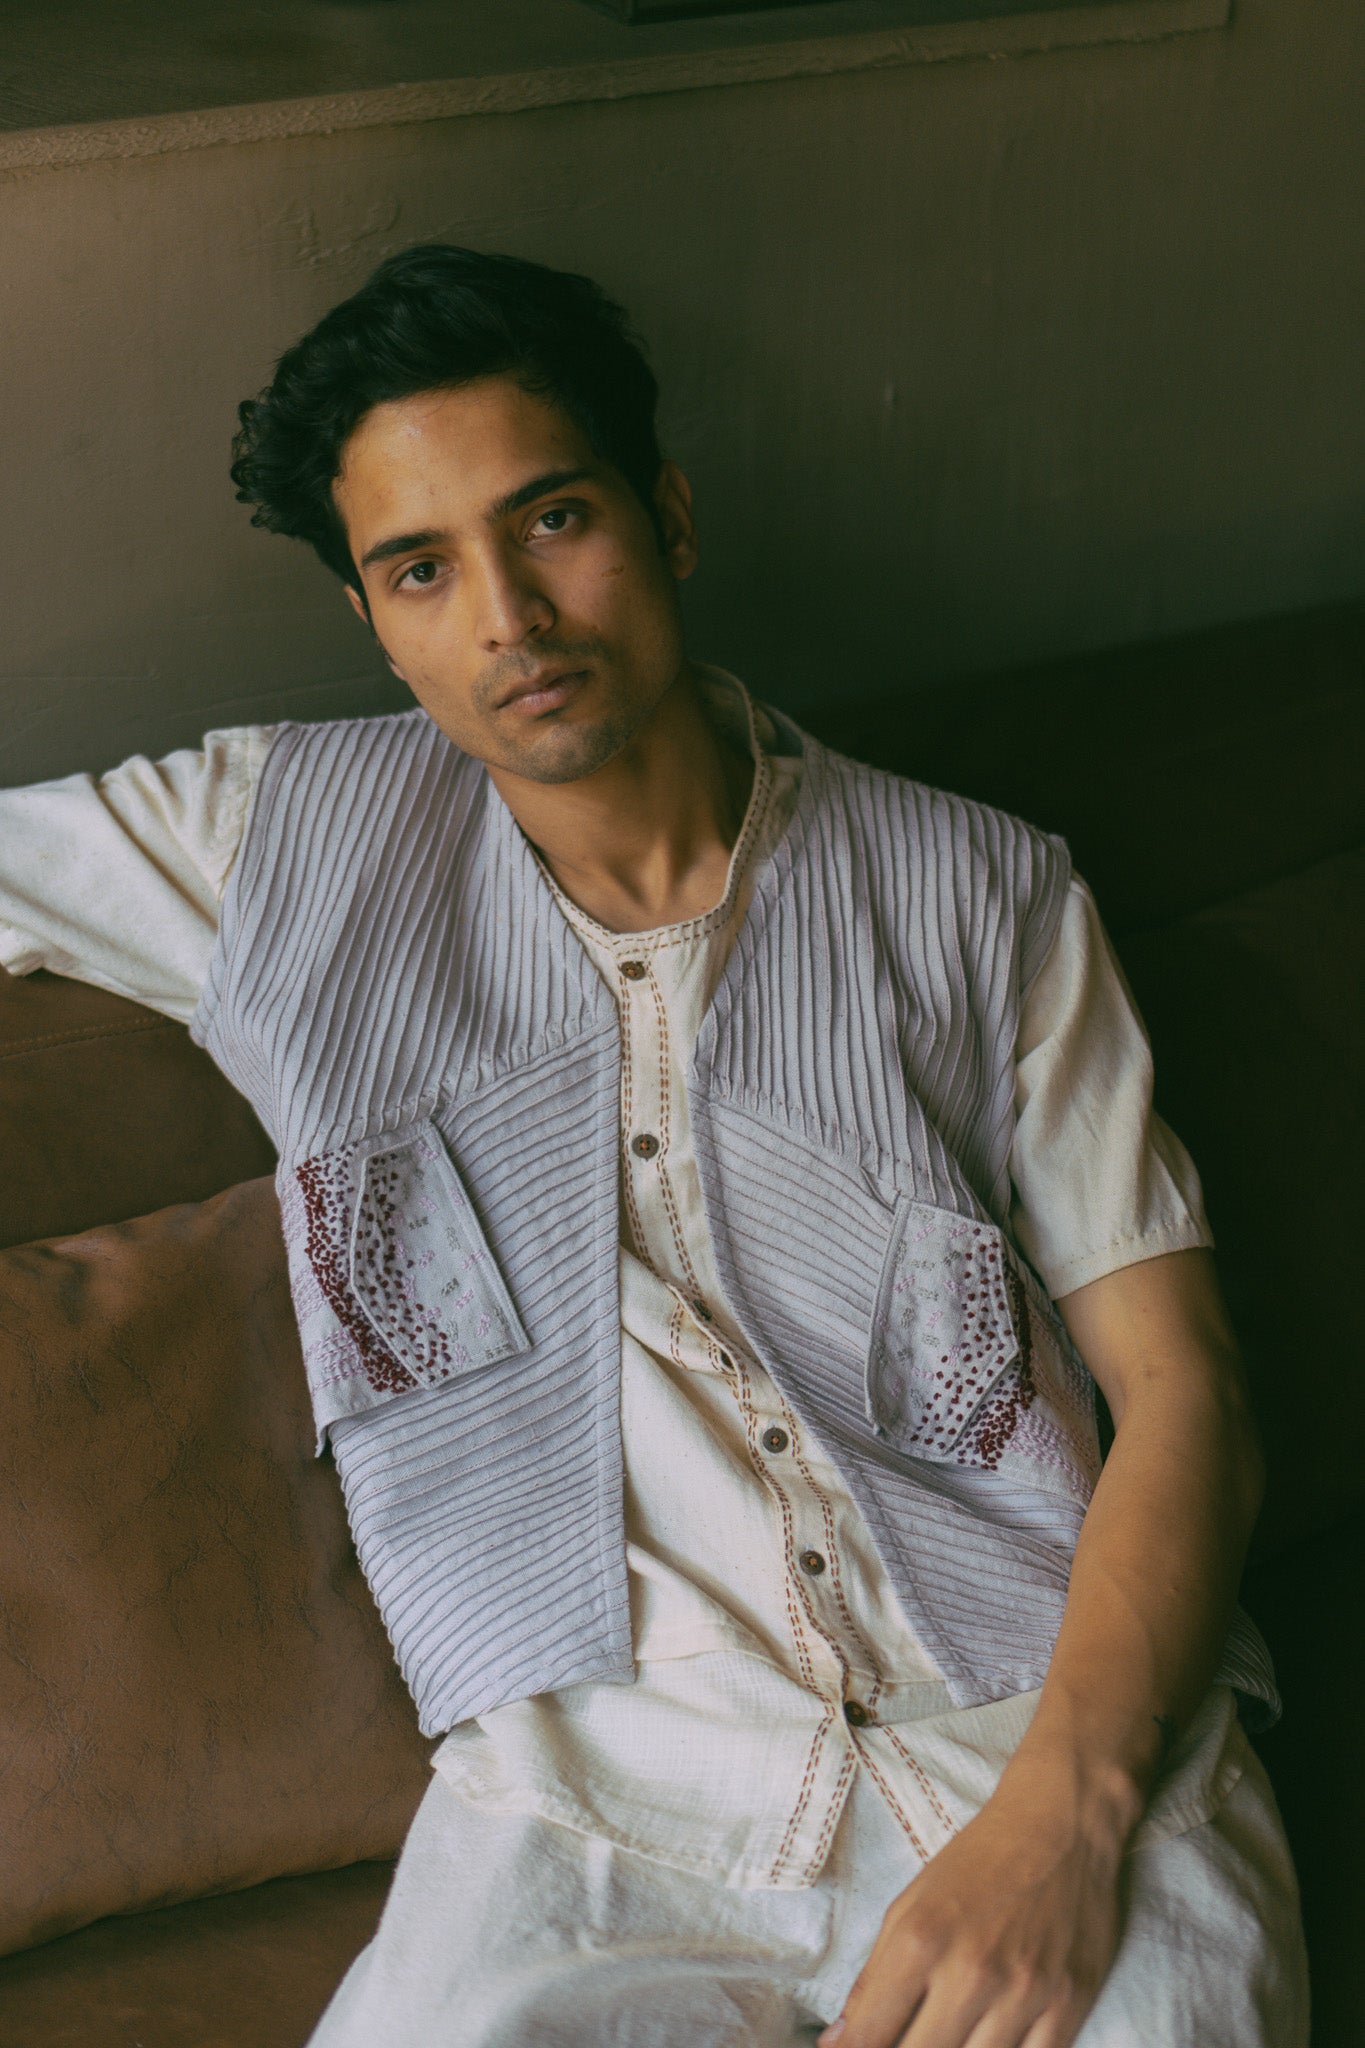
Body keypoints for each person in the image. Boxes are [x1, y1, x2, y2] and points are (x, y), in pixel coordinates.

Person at [0, 245, 1308, 2048]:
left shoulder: (983, 889)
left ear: (666, 516)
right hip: (587, 1814)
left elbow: (1183, 1389)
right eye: (421, 568)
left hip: (1040, 1731)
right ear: (373, 618)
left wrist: (1068, 1821)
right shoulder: (262, 846)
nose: (507, 617)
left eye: (552, 520)